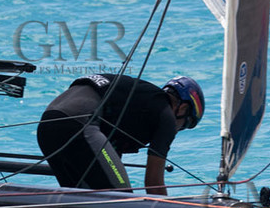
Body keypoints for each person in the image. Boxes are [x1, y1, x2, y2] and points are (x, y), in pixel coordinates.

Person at [36, 73, 204, 196]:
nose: (179, 129)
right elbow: (153, 184)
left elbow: (109, 159)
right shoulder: (166, 114)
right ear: (182, 108)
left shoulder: (140, 103)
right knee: (122, 199)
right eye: (187, 124)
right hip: (80, 125)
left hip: (47, 122)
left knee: (81, 199)